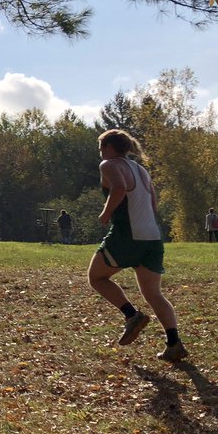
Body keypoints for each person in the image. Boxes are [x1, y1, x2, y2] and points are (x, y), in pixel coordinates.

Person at [87, 129, 188, 362]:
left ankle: (131, 315)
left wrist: (105, 213)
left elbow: (119, 188)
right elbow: (152, 202)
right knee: (153, 293)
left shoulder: (109, 164)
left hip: (127, 235)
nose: (100, 152)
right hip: (152, 237)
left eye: (101, 147)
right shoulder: (141, 170)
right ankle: (174, 343)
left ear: (110, 148)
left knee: (96, 278)